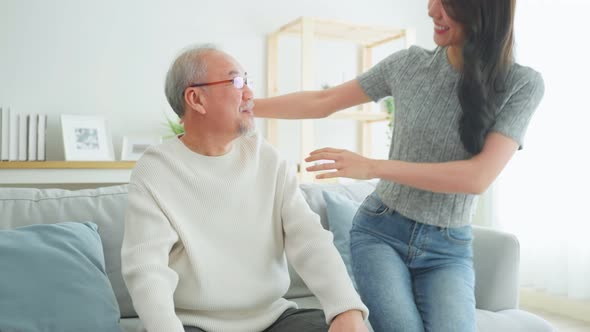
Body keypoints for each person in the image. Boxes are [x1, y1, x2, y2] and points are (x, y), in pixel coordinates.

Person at [253, 0, 545, 331]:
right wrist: (246, 106)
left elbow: (477, 177)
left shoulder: (522, 84)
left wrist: (374, 167)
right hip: (380, 234)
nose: (432, 10)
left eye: (447, 3)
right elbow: (324, 101)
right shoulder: (409, 65)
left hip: (448, 249)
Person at [120, 44, 369, 332]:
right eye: (237, 82)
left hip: (274, 318)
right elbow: (147, 270)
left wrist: (347, 309)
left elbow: (309, 238)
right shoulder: (155, 170)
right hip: (192, 325)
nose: (250, 94)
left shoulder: (266, 157)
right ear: (196, 98)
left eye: (248, 81)